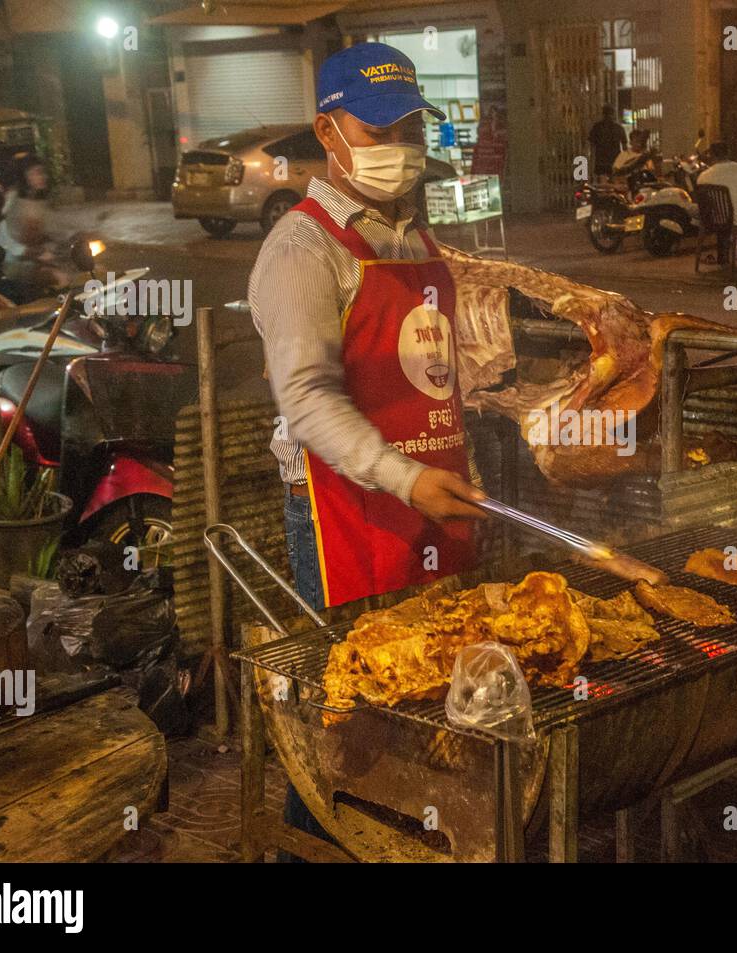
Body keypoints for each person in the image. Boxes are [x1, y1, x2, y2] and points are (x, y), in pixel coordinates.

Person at [247, 41, 490, 857]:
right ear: (328, 130)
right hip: (344, 514)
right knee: (345, 723)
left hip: (432, 502)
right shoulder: (300, 249)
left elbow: (433, 370)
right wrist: (406, 477)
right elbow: (308, 400)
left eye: (412, 127)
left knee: (428, 708)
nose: (402, 148)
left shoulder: (412, 235)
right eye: (379, 130)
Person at [0, 156, 69, 292]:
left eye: (43, 172)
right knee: (61, 278)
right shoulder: (13, 199)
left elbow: (46, 231)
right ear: (25, 176)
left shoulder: (39, 201)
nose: (43, 177)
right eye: (36, 172)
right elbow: (1, 236)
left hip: (37, 259)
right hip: (15, 264)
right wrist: (28, 251)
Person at [697, 141, 737, 228]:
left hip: (721, 220)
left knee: (696, 208)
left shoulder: (704, 176)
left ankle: (701, 237)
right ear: (728, 153)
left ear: (711, 155)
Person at [587, 104, 628, 176]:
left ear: (603, 114)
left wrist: (591, 161)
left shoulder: (597, 127)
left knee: (602, 180)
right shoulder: (619, 128)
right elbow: (624, 147)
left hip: (601, 160)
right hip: (615, 159)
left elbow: (592, 145)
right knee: (614, 179)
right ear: (613, 114)